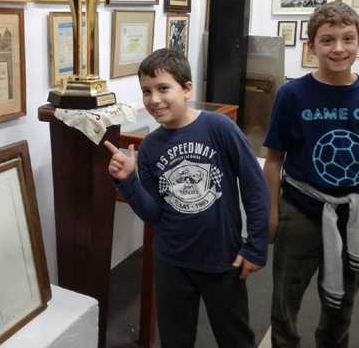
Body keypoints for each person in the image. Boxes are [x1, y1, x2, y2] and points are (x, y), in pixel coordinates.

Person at [104, 48, 270, 348]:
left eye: (163, 88)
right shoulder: (150, 146)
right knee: (175, 339)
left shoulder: (219, 128)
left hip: (223, 259)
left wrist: (256, 246)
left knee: (235, 337)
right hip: (171, 262)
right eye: (146, 91)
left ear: (187, 89)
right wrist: (128, 181)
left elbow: (255, 186)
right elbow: (153, 214)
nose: (154, 99)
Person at [263, 1, 359, 348]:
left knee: (341, 306)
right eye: (327, 40)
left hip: (355, 214)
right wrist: (272, 213)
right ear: (312, 46)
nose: (338, 48)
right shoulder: (292, 95)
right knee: (285, 299)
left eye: (347, 38)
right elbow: (274, 160)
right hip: (300, 211)